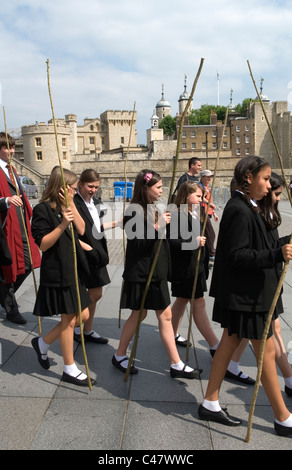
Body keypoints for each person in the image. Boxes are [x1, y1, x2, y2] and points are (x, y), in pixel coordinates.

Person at [198, 156, 292, 436]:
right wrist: (277, 254)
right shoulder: (239, 209)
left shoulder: (252, 205)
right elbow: (236, 255)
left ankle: (210, 401)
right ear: (248, 177)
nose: (269, 184)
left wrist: (283, 244)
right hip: (247, 295)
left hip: (248, 293)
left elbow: (265, 242)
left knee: (229, 341)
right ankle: (282, 416)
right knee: (265, 351)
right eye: (265, 179)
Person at [112, 169, 200, 379]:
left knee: (163, 315)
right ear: (146, 188)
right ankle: (121, 354)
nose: (162, 191)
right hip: (142, 272)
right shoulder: (134, 211)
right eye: (158, 187)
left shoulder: (154, 208)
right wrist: (158, 226)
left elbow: (164, 239)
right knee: (140, 314)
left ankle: (174, 362)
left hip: (155, 272)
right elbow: (138, 244)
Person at [31, 167, 94, 386]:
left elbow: (83, 228)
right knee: (68, 320)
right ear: (62, 188)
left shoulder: (70, 205)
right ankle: (69, 367)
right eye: (73, 189)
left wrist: (70, 209)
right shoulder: (41, 209)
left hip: (73, 269)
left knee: (83, 315)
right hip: (58, 272)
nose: (76, 193)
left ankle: (43, 342)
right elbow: (43, 244)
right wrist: (62, 225)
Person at [167, 181, 219, 355]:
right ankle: (214, 344)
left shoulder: (198, 211)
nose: (201, 199)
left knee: (182, 300)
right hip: (186, 267)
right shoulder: (177, 214)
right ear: (186, 196)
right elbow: (172, 242)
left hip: (197, 264)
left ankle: (170, 333)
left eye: (202, 196)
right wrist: (192, 242)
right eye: (198, 196)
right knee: (199, 302)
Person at [0, 132, 41, 324]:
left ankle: (4, 296)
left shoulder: (13, 170)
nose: (11, 151)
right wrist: (5, 200)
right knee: (9, 267)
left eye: (13, 147)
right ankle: (10, 307)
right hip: (5, 228)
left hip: (22, 225)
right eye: (6, 147)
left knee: (30, 262)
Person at [74, 168, 116, 345]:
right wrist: (83, 246)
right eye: (90, 186)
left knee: (94, 292)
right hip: (84, 253)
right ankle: (73, 325)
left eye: (96, 187)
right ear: (80, 184)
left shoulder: (95, 202)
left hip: (97, 251)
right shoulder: (74, 203)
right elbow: (72, 230)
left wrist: (117, 223)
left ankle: (86, 329)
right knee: (93, 292)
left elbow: (96, 227)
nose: (93, 190)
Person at [199, 169, 218, 261]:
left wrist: (214, 213)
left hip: (208, 212)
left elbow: (210, 200)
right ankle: (211, 253)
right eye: (208, 177)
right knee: (211, 233)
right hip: (202, 212)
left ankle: (207, 251)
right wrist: (206, 198)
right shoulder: (200, 187)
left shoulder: (207, 187)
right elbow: (201, 198)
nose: (209, 179)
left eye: (210, 177)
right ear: (202, 177)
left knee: (207, 233)